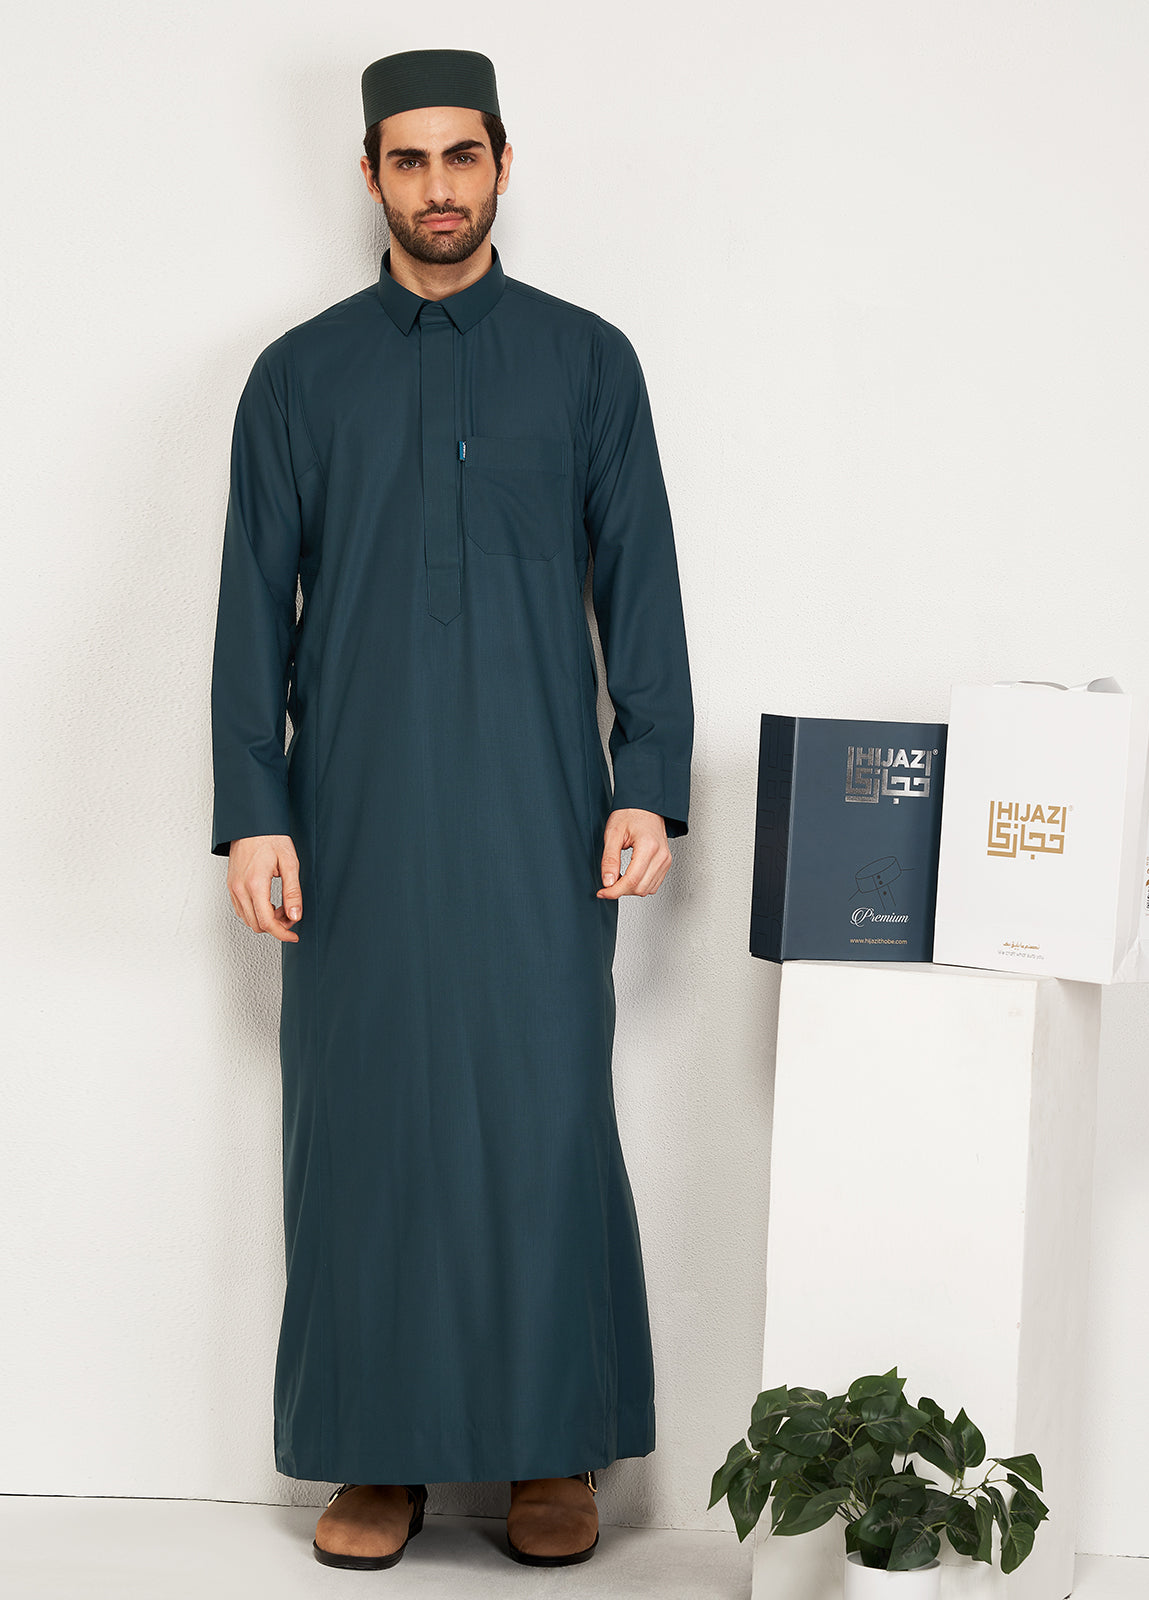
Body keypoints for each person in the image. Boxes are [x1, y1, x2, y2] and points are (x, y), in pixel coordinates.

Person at [209, 46, 693, 1571]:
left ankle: (553, 1450)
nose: (437, 188)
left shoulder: (587, 361)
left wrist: (650, 780)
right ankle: (381, 1454)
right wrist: (255, 807)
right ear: (369, 172)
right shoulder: (299, 376)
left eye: (460, 157)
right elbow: (250, 610)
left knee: (543, 1119)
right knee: (365, 1127)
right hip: (351, 818)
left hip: (542, 812)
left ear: (501, 164)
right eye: (407, 160)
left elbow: (643, 584)